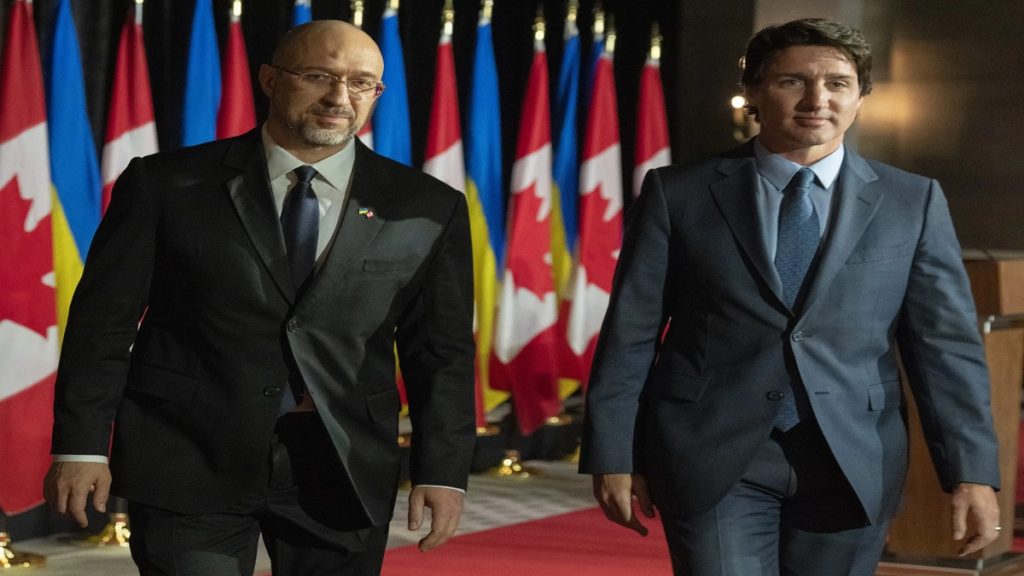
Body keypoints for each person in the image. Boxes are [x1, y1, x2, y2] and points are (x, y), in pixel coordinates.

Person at [44, 20, 476, 576]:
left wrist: (442, 470)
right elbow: (102, 324)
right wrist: (81, 446)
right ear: (270, 79)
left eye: (361, 83)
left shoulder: (426, 206)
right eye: (318, 75)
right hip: (188, 455)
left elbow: (440, 352)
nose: (339, 97)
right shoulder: (165, 184)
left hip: (342, 466)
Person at [579, 17, 1001, 576]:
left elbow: (944, 349)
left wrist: (971, 473)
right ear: (753, 91)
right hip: (712, 453)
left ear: (860, 97)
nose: (816, 99)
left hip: (854, 459)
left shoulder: (912, 202)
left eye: (838, 83)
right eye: (792, 81)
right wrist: (613, 452)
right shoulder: (678, 193)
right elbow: (630, 334)